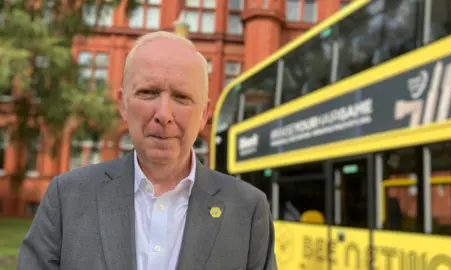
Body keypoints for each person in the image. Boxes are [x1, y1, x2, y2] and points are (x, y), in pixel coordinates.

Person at [17, 31, 277, 270]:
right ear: (123, 104)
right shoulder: (67, 198)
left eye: (182, 97)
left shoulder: (248, 210)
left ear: (204, 114)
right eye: (148, 93)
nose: (163, 115)